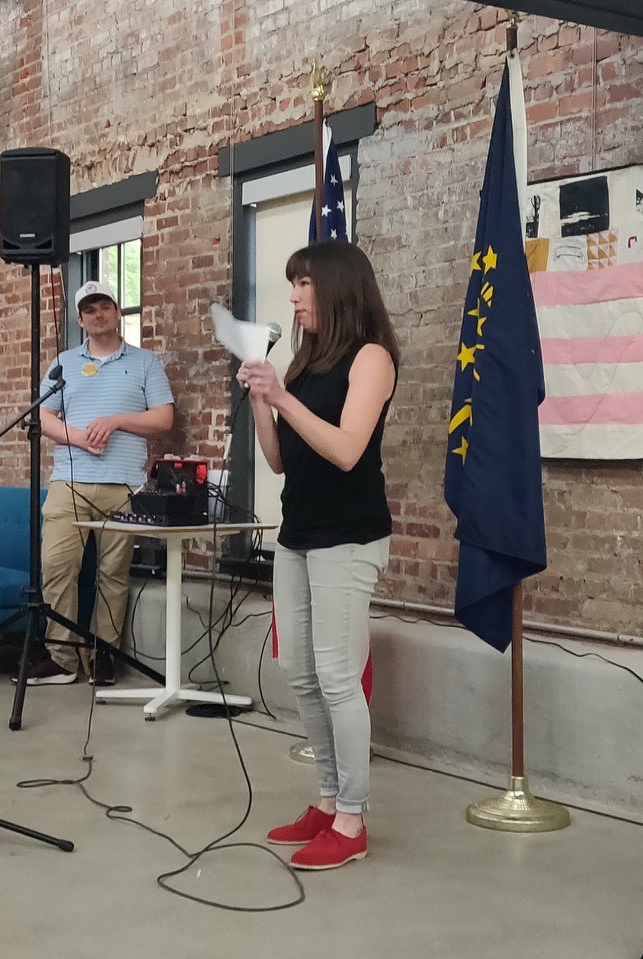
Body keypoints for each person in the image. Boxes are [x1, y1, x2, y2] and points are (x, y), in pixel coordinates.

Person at [238, 242, 398, 871]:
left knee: (337, 676)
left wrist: (281, 397)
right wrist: (261, 399)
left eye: (303, 283)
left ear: (336, 286)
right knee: (301, 675)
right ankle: (328, 801)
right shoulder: (305, 363)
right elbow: (281, 460)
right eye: (293, 284)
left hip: (349, 537)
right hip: (298, 533)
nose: (295, 295)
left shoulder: (372, 358)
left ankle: (353, 819)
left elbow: (347, 450)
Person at [26, 280, 175, 686]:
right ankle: (62, 657)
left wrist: (116, 420)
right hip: (69, 481)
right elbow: (42, 416)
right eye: (89, 309)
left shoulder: (146, 362)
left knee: (113, 574)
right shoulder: (63, 363)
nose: (98, 314)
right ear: (79, 320)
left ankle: (103, 654)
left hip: (124, 485)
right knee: (57, 569)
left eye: (105, 306)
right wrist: (79, 437)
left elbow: (163, 418)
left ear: (118, 312)